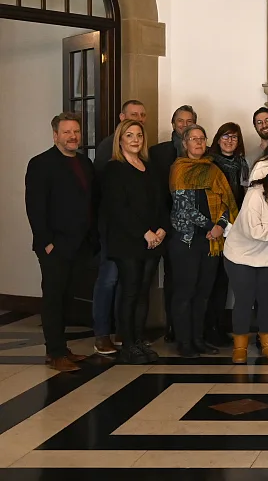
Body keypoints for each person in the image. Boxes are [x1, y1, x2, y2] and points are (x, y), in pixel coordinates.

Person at [25, 113, 97, 372]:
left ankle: (61, 349)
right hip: (54, 245)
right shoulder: (41, 163)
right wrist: (47, 242)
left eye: (76, 131)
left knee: (67, 298)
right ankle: (55, 353)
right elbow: (35, 207)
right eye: (67, 132)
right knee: (54, 299)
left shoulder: (85, 162)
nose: (72, 136)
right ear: (55, 135)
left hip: (80, 245)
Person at [169, 124, 239, 358]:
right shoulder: (179, 169)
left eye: (202, 138)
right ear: (185, 143)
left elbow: (226, 201)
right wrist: (211, 226)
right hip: (187, 240)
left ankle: (198, 339)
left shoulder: (213, 169)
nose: (198, 142)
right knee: (185, 293)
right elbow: (183, 207)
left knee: (203, 293)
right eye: (193, 139)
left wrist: (221, 225)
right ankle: (184, 341)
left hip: (211, 241)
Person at [101, 120, 168, 364]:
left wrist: (161, 229)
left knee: (142, 292)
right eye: (129, 135)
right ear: (120, 140)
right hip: (127, 241)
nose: (135, 139)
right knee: (129, 291)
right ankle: (128, 344)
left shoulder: (150, 168)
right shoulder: (113, 169)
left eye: (139, 135)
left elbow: (162, 202)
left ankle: (139, 340)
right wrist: (144, 232)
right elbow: (118, 208)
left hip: (153, 240)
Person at [225, 156, 268, 364]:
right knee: (244, 301)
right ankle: (240, 347)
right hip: (241, 255)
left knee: (267, 301)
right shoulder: (255, 195)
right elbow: (254, 231)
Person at [91, 99, 147, 355]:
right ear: (121, 118)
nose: (138, 119)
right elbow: (111, 198)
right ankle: (102, 334)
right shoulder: (109, 150)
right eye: (133, 115)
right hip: (114, 232)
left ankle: (126, 334)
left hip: (136, 235)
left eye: (142, 116)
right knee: (109, 280)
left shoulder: (143, 155)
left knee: (129, 285)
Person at [150, 105, 198, 342]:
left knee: (194, 279)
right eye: (180, 121)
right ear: (173, 124)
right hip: (166, 224)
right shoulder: (157, 152)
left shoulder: (202, 151)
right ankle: (172, 328)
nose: (185, 125)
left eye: (190, 121)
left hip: (196, 226)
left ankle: (192, 330)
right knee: (172, 278)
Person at [204, 122, 250, 347]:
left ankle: (219, 327)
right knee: (210, 280)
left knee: (224, 280)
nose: (229, 141)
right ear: (217, 139)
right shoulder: (209, 163)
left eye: (234, 137)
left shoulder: (242, 164)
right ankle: (208, 328)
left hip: (236, 227)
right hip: (215, 226)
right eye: (225, 136)